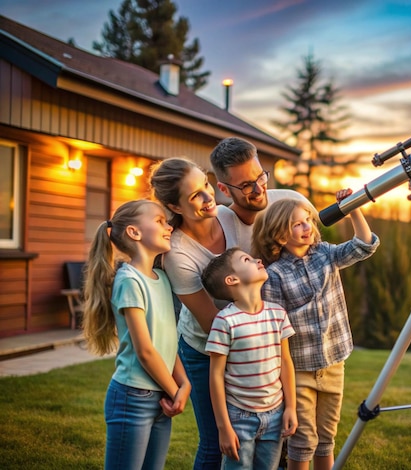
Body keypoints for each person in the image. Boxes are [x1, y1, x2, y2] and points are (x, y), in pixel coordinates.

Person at [251, 190, 379, 470]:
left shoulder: (326, 254)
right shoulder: (274, 275)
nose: (307, 226)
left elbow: (364, 245)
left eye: (308, 219)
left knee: (326, 438)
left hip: (334, 364)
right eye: (297, 224)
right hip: (300, 371)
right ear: (280, 236)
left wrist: (351, 207)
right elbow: (276, 330)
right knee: (303, 439)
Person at [82, 199, 191, 470]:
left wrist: (184, 384)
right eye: (159, 221)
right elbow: (145, 351)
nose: (169, 227)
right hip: (133, 397)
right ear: (134, 232)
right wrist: (173, 389)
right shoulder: (130, 280)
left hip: (161, 397)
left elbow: (166, 342)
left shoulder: (162, 279)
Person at [150, 157, 236, 469]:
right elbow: (212, 322)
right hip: (204, 349)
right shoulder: (177, 252)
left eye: (206, 185)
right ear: (174, 207)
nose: (208, 196)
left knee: (256, 435)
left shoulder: (231, 217)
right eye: (194, 195)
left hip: (250, 339)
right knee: (215, 442)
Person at [201, 248, 298, 469]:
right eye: (247, 259)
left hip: (275, 414)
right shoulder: (225, 321)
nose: (257, 259)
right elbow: (216, 376)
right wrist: (224, 427)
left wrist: (290, 407)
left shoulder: (278, 314)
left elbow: (285, 362)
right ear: (232, 279)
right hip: (239, 416)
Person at [210, 136, 308, 254]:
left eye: (261, 177)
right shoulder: (220, 230)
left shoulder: (292, 201)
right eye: (247, 185)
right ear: (224, 190)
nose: (259, 189)